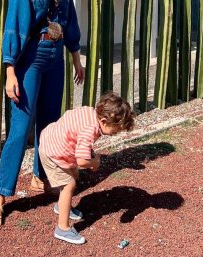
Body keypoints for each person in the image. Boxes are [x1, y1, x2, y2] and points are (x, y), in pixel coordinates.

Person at [0, 0, 85, 233]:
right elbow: (13, 27)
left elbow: (69, 21)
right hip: (31, 59)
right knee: (19, 128)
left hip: (56, 59)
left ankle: (41, 175)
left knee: (50, 124)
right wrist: (10, 71)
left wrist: (76, 56)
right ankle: (0, 198)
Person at [39, 92, 135, 245]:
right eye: (115, 131)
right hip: (53, 153)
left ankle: (62, 206)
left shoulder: (90, 112)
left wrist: (90, 154)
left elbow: (77, 134)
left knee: (73, 176)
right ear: (104, 121)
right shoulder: (90, 130)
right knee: (68, 185)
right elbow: (82, 161)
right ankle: (62, 229)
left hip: (53, 140)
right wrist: (94, 162)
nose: (115, 134)